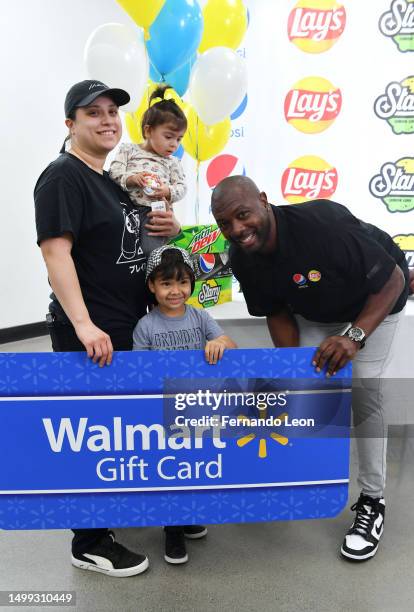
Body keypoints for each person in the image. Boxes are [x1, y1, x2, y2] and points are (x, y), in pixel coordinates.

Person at [211, 175, 409, 562]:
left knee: (363, 390)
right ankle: (303, 479)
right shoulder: (242, 258)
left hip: (377, 302)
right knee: (307, 389)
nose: (237, 229)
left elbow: (392, 281)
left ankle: (372, 500)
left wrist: (353, 337)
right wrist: (293, 370)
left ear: (264, 201)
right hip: (319, 310)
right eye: (225, 223)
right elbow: (277, 311)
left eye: (243, 214)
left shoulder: (323, 225)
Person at [34, 80, 181, 577]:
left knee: (123, 429)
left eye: (113, 112)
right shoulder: (63, 176)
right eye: (92, 112)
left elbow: (135, 240)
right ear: (70, 124)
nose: (107, 120)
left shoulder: (111, 179)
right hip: (92, 331)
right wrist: (83, 325)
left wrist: (171, 227)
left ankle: (122, 515)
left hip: (129, 325)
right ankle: (89, 542)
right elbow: (56, 253)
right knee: (91, 434)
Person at [133, 245, 237, 563]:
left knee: (194, 466)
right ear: (152, 285)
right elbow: (139, 373)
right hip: (162, 413)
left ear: (191, 283)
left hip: (197, 407)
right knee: (171, 469)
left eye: (182, 282)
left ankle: (188, 515)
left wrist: (220, 342)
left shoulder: (200, 316)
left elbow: (230, 345)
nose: (175, 291)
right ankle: (172, 530)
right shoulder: (145, 327)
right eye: (166, 283)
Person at [110, 85, 187, 257]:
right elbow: (114, 172)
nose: (174, 144)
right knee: (123, 250)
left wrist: (168, 191)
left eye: (179, 139)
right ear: (148, 130)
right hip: (125, 210)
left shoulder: (173, 162)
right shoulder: (129, 150)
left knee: (152, 253)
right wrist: (132, 179)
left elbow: (182, 187)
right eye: (168, 137)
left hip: (155, 212)